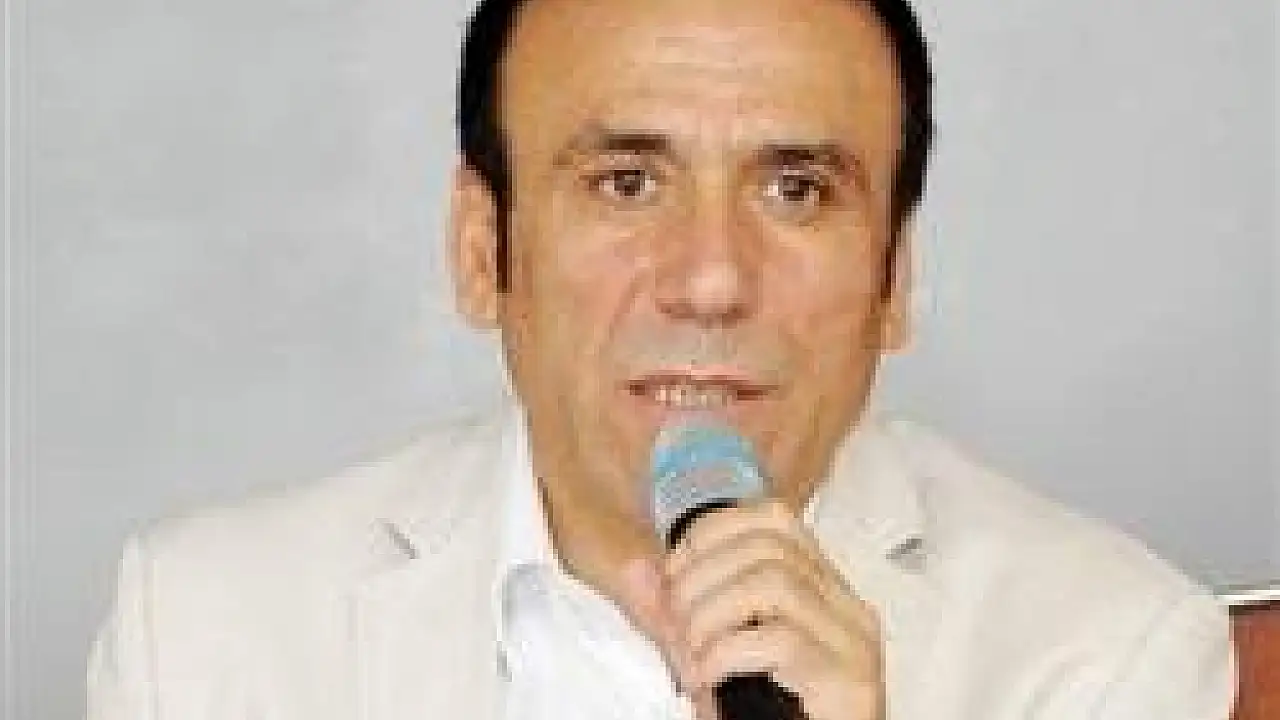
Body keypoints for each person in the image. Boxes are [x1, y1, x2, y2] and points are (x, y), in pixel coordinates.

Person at [86, 0, 1236, 718]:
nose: (710, 279)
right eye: (626, 183)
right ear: (482, 250)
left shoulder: (1105, 656)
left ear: (892, 278)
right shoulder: (201, 630)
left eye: (795, 190)